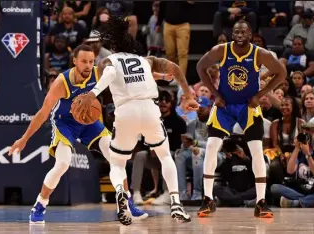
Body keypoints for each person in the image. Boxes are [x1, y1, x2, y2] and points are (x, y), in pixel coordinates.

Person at [77, 16, 198, 225]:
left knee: (117, 162)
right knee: (165, 156)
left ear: (112, 45)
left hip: (126, 111)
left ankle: (121, 198)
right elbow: (175, 69)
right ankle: (176, 203)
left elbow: (110, 75)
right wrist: (187, 95)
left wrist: (91, 93)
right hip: (150, 109)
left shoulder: (107, 61)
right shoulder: (145, 60)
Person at [8, 44, 147, 224]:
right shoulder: (61, 83)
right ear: (74, 61)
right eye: (83, 61)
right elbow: (43, 112)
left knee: (116, 158)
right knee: (63, 163)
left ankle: (127, 203)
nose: (88, 66)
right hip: (65, 123)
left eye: (91, 61)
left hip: (89, 122)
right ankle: (40, 205)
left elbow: (127, 80)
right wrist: (24, 138)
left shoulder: (99, 73)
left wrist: (155, 77)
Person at [196, 20, 287, 218]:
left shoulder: (259, 53)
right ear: (232, 33)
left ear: (250, 34)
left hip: (248, 106)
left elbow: (282, 73)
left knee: (256, 150)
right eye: (236, 30)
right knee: (211, 146)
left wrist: (261, 93)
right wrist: (215, 94)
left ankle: (261, 202)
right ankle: (207, 199)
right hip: (225, 106)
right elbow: (200, 66)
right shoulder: (222, 50)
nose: (239, 33)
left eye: (243, 31)